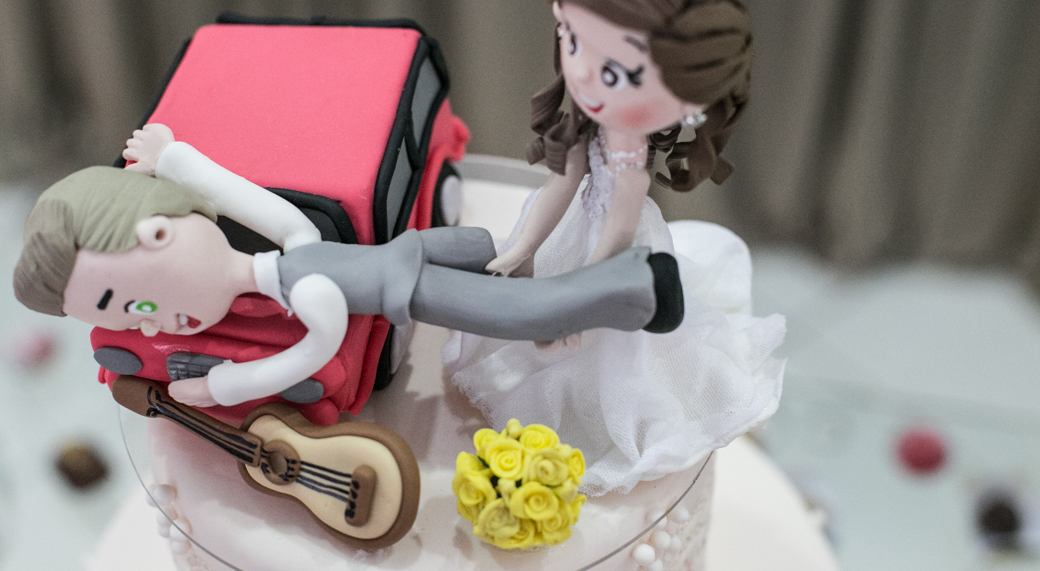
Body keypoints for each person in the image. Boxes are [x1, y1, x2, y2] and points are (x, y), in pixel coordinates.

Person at [445, 0, 786, 495]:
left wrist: (583, 293)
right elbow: (560, 184)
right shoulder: (589, 125)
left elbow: (622, 227)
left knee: (610, 363)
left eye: (619, 72)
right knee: (535, 334)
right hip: (576, 233)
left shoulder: (630, 162)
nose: (581, 73)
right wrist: (524, 246)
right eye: (570, 37)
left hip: (614, 258)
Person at [14, 123, 684, 409]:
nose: (152, 324)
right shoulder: (293, 246)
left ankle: (638, 287)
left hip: (405, 285)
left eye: (137, 305)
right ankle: (576, 273)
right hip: (407, 256)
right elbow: (256, 202)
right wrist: (176, 159)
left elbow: (316, 345)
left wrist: (223, 386)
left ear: (160, 233)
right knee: (493, 261)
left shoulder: (302, 283)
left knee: (519, 313)